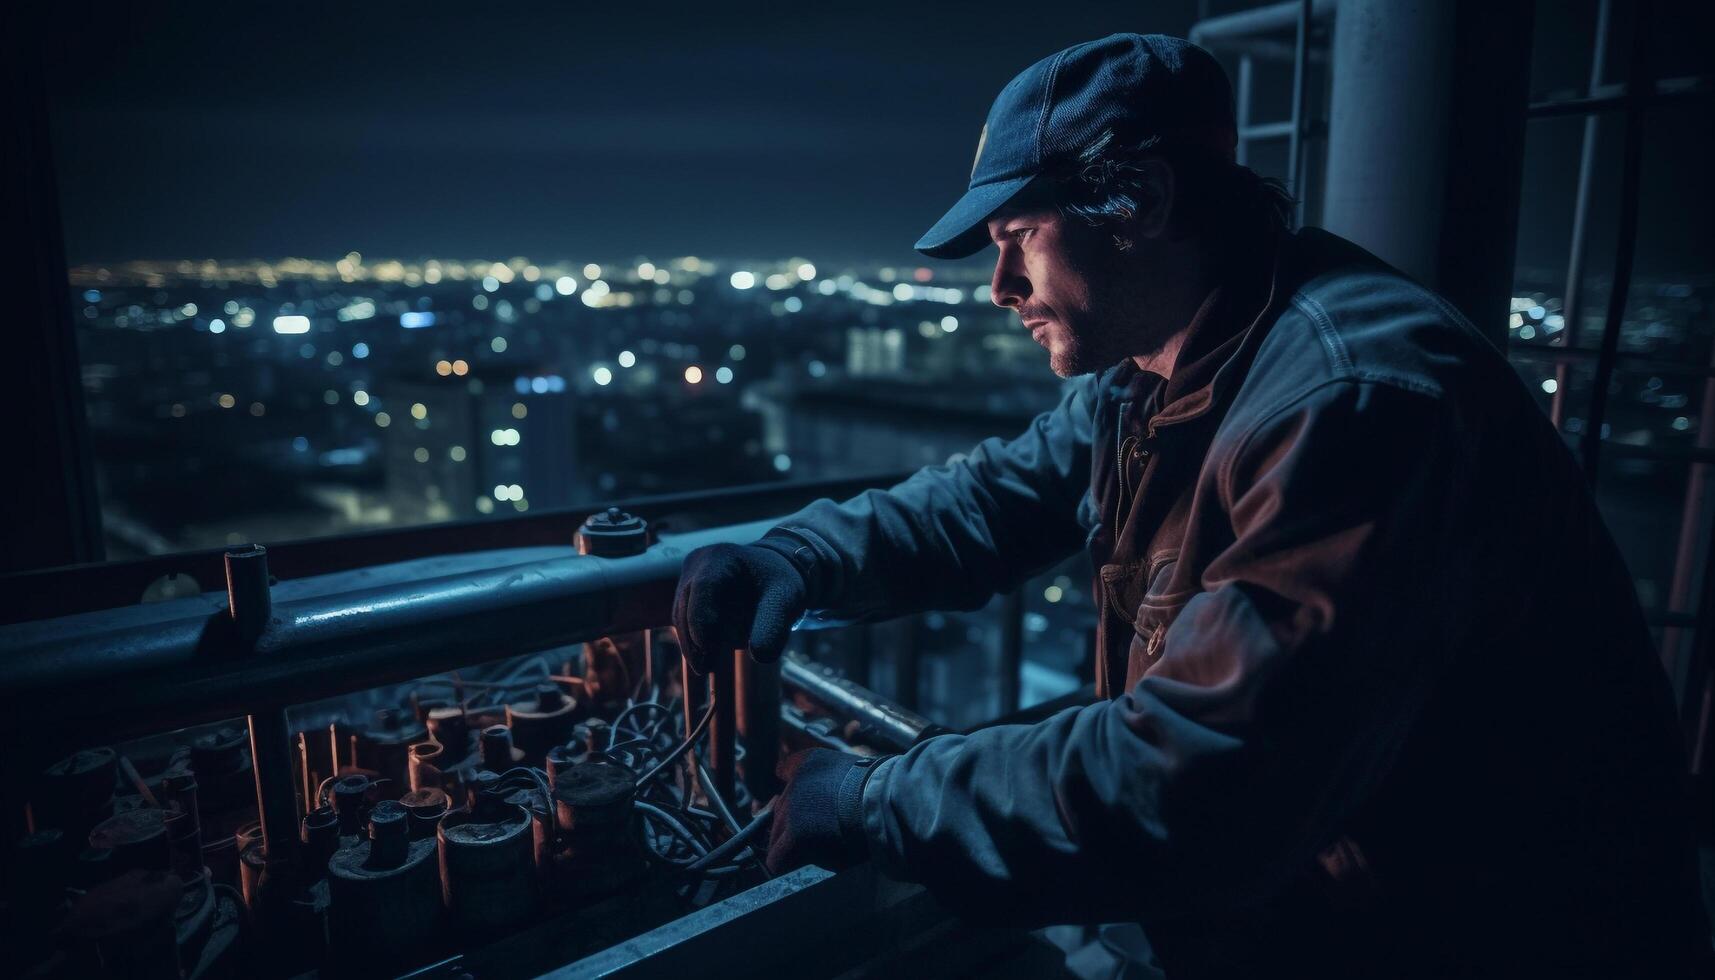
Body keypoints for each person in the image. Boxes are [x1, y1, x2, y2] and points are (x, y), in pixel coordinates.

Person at [672, 33, 1711, 979]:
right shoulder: (1158, 369)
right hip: (1330, 912)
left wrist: (871, 797)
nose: (997, 285)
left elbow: (1202, 779)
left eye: (1018, 235)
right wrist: (796, 555)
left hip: (1481, 939)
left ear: (1141, 203)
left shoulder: (1349, 402)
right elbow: (990, 499)